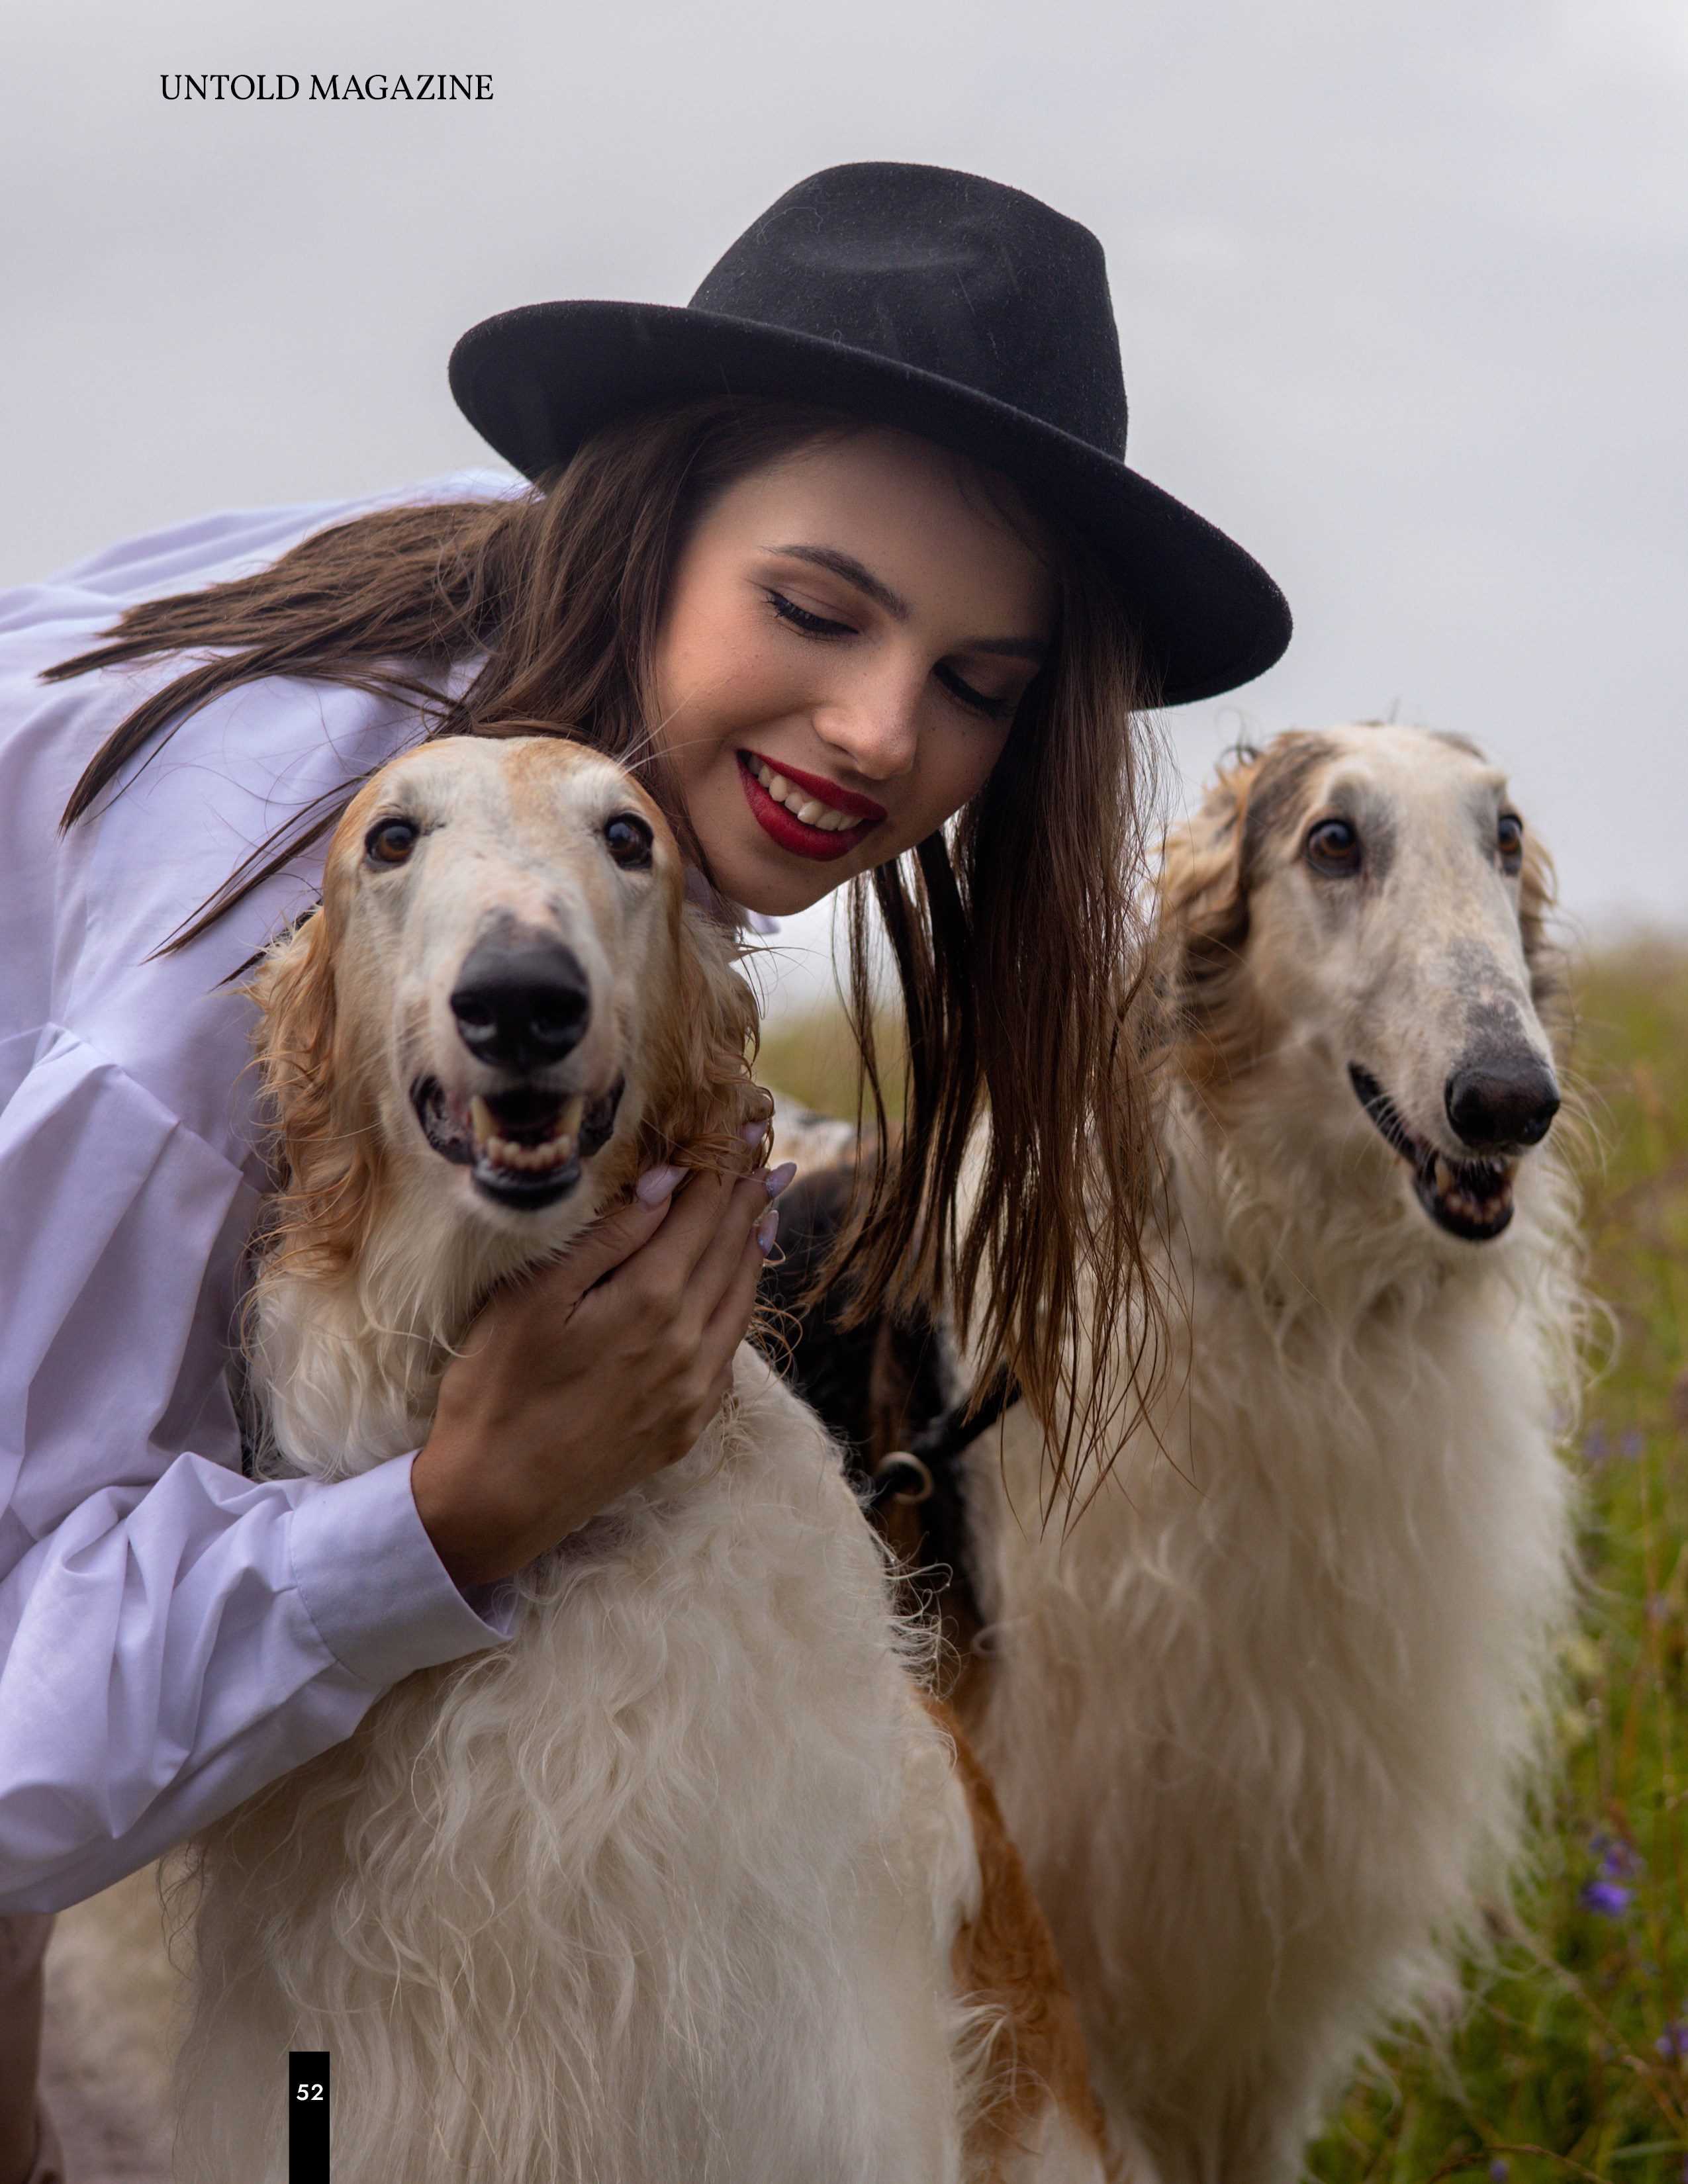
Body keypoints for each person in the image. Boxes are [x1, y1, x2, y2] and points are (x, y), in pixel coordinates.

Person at [0, 162, 1288, 2181]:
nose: (878, 735)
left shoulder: (524, 772)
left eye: (978, 685)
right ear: (653, 512)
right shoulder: (252, 913)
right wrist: (450, 1510)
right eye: (817, 608)